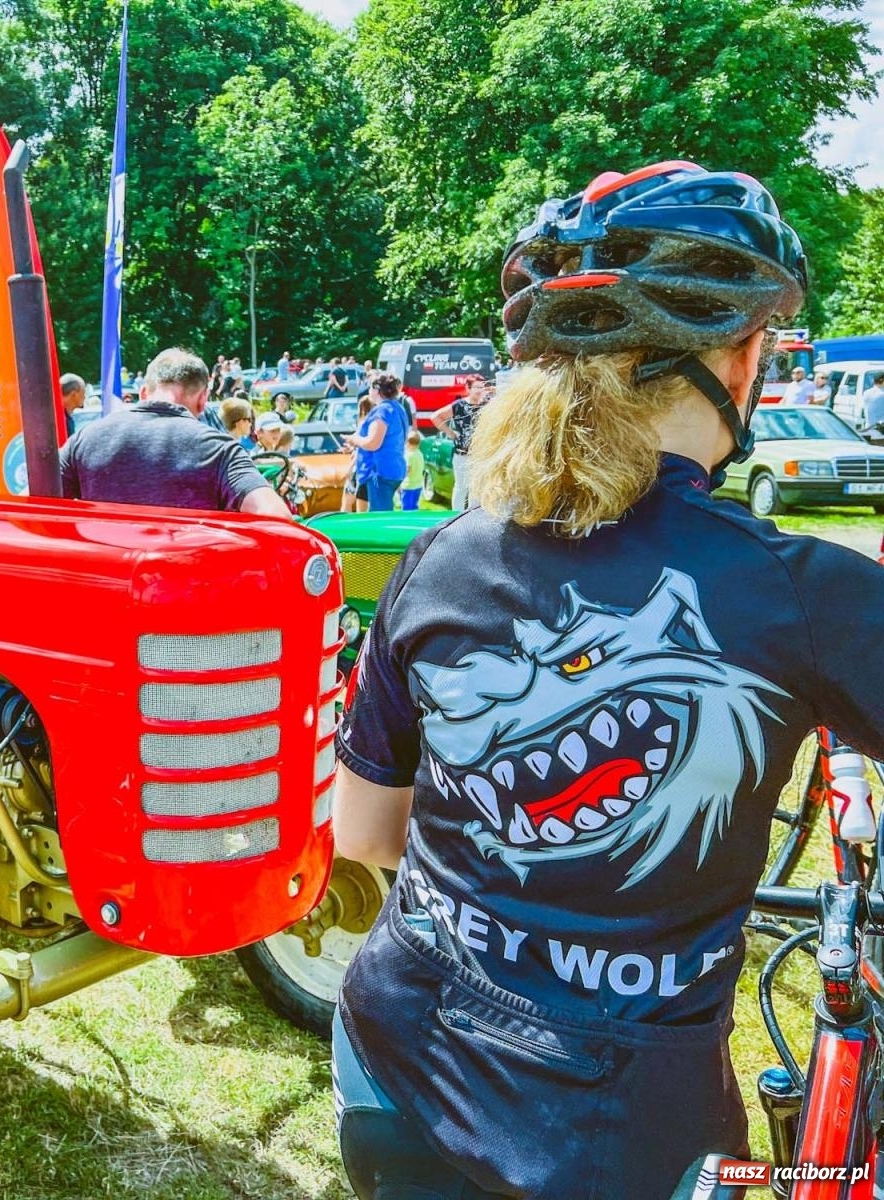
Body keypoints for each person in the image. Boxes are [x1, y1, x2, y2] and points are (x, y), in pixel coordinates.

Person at [328, 163, 875, 1200]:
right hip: (618, 1139)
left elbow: (362, 834)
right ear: (744, 360)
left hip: (393, 1072)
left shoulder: (439, 556)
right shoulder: (798, 590)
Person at [59, 348, 288, 515]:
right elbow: (275, 515)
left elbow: (39, 503)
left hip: (104, 567)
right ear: (203, 400)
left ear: (143, 392)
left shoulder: (84, 440)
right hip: (188, 567)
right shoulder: (221, 450)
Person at [342, 374, 409, 511]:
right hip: (394, 468)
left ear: (377, 390)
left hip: (379, 472)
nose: (368, 391)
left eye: (370, 387)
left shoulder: (382, 410)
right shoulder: (397, 407)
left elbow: (373, 443)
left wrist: (354, 440)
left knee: (380, 517)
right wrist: (356, 444)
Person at [432, 375, 490, 509]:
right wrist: (451, 433)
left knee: (477, 489)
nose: (479, 390)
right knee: (461, 487)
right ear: (468, 388)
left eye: (482, 387)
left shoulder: (487, 406)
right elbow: (436, 417)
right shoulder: (459, 405)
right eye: (476, 387)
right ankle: (456, 515)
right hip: (462, 453)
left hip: (481, 455)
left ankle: (472, 516)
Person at [398, 429, 423, 511]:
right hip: (418, 485)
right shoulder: (419, 453)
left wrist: (399, 482)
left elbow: (407, 470)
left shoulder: (409, 456)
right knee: (414, 506)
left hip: (408, 486)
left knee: (406, 507)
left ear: (407, 443)